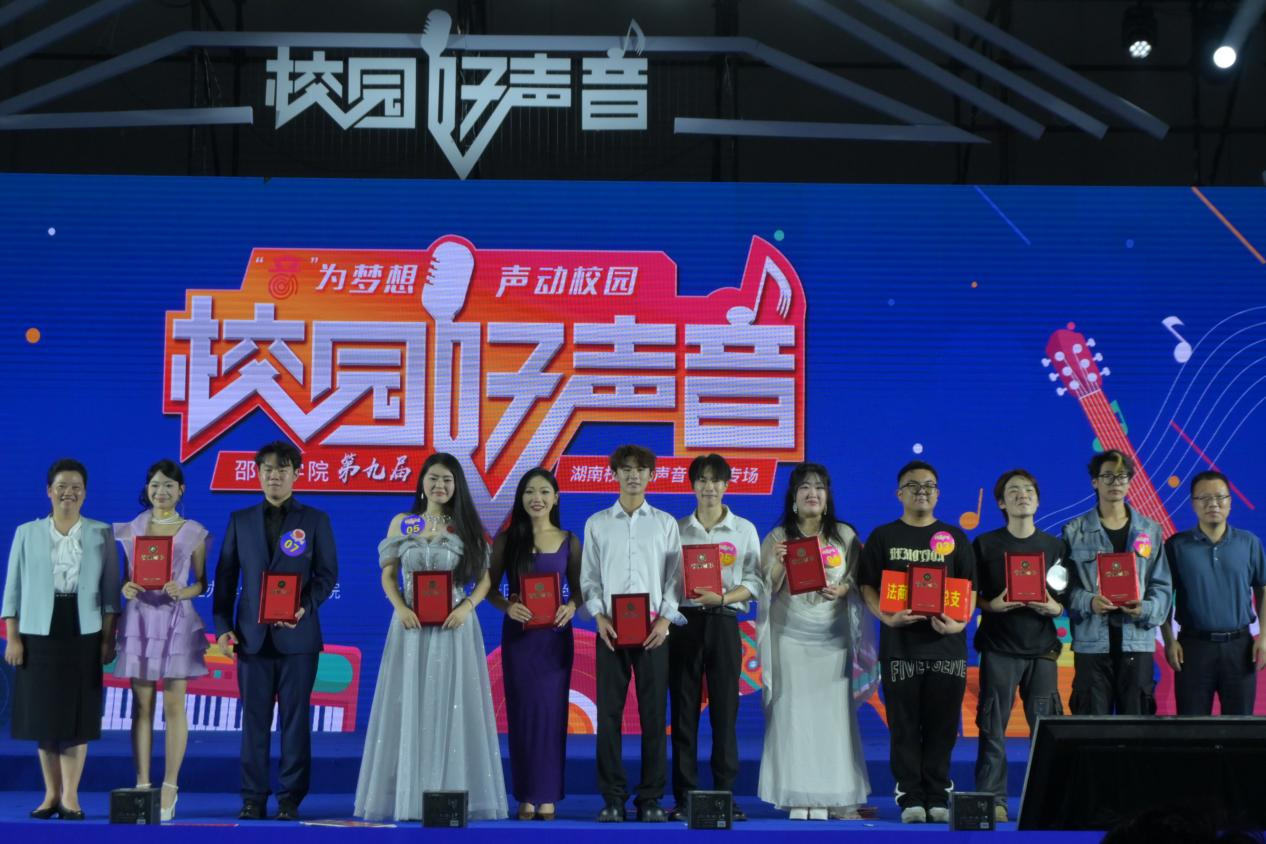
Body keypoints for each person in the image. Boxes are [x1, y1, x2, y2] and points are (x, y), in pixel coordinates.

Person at [354, 452, 507, 822]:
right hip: (410, 627)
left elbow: (486, 578)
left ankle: (446, 794)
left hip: (454, 627)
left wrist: (466, 607)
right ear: (422, 482)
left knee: (451, 705)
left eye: (447, 480)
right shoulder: (402, 523)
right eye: (434, 478)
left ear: (457, 486)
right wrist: (400, 608)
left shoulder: (465, 525)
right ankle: (409, 799)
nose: (440, 485)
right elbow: (388, 575)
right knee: (410, 702)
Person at [212, 441, 339, 821]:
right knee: (253, 722)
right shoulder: (240, 520)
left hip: (299, 639)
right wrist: (223, 627)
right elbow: (225, 579)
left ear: (297, 474)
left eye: (282, 469)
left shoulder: (315, 520)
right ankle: (252, 798)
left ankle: (290, 798)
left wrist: (304, 607)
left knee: (295, 722)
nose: (274, 476)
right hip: (251, 639)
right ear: (257, 474)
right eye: (267, 469)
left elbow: (327, 575)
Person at [858, 460, 976, 825]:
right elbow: (866, 585)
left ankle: (938, 794)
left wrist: (959, 625)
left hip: (947, 650)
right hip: (901, 649)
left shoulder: (955, 538)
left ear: (938, 494)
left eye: (929, 485)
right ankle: (910, 795)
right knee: (904, 725)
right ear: (899, 493)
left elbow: (970, 587)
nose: (922, 490)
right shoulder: (883, 537)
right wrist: (886, 618)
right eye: (913, 485)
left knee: (942, 727)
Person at [2, 458, 120, 820]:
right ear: (49, 491)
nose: (68, 493)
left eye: (76, 487)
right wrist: (13, 638)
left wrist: (108, 639)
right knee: (44, 718)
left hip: (83, 630)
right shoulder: (27, 532)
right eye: (62, 487)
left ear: (85, 493)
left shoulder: (101, 533)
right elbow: (12, 589)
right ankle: (50, 795)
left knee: (76, 718)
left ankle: (71, 796)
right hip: (37, 631)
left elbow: (110, 593)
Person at [756, 461, 871, 821]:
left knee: (833, 718)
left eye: (819, 487)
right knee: (793, 715)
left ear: (827, 496)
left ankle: (833, 797)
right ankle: (796, 795)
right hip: (790, 637)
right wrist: (778, 564)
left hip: (832, 640)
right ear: (793, 497)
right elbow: (764, 588)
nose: (812, 493)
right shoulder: (777, 538)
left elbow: (859, 582)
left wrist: (843, 590)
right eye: (804, 487)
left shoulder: (845, 536)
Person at [580, 444, 684, 823]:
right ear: (614, 475)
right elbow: (589, 577)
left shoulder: (665, 523)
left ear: (652, 476)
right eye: (626, 469)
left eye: (640, 469)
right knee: (608, 717)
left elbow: (676, 578)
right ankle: (612, 798)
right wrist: (598, 616)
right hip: (610, 631)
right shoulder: (597, 523)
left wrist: (665, 621)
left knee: (654, 717)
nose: (633, 475)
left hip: (654, 633)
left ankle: (650, 798)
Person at [114, 459, 210, 821]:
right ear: (147, 489)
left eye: (169, 485)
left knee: (174, 706)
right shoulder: (132, 529)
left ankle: (170, 785)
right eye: (155, 485)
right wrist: (125, 587)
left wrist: (183, 591)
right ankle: (142, 783)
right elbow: (124, 578)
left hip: (176, 621)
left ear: (181, 490)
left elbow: (201, 582)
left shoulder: (194, 532)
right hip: (140, 619)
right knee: (141, 707)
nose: (161, 491)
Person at [668, 454, 762, 822]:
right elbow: (666, 582)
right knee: (683, 713)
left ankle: (725, 794)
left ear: (726, 485)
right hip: (684, 624)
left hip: (724, 622)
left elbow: (755, 581)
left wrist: (722, 597)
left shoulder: (744, 529)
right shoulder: (675, 529)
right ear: (692, 485)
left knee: (725, 713)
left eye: (716, 480)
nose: (709, 487)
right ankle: (684, 796)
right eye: (702, 480)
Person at [486, 467, 581, 821]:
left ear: (556, 498)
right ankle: (525, 795)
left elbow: (581, 590)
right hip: (520, 639)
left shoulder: (569, 540)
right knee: (522, 714)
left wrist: (572, 607)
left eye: (544, 492)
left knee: (552, 714)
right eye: (529, 492)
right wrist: (507, 607)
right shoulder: (507, 540)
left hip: (555, 639)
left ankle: (548, 795)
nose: (536, 498)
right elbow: (489, 589)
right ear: (521, 498)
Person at [971, 469, 1065, 824]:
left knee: (1045, 731)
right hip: (999, 648)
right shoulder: (985, 545)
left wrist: (1053, 608)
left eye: (1029, 490)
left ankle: (1048, 799)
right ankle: (992, 799)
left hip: (1042, 651)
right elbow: (970, 594)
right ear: (1001, 502)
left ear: (1038, 501)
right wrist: (992, 605)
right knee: (992, 728)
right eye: (1013, 491)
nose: (1022, 495)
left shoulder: (1055, 547)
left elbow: (1067, 596)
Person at [1062, 449, 1171, 716]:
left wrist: (1145, 608)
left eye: (1122, 477)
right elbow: (1063, 587)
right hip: (1092, 643)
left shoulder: (1150, 530)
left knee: (1136, 724)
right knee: (1091, 724)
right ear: (1095, 482)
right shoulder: (1074, 531)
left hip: (1137, 641)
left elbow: (1162, 585)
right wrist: (1089, 602)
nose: (1115, 483)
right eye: (1108, 476)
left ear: (1130, 482)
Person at [1161, 470, 1266, 715]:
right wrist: (1169, 641)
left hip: (1240, 648)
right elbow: (1162, 596)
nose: (1213, 504)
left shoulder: (1249, 543)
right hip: (1192, 648)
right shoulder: (1176, 545)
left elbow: (1262, 589)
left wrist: (1263, 637)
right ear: (1193, 503)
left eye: (1220, 497)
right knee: (1192, 727)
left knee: (1240, 727)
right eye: (1204, 498)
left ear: (1230, 501)